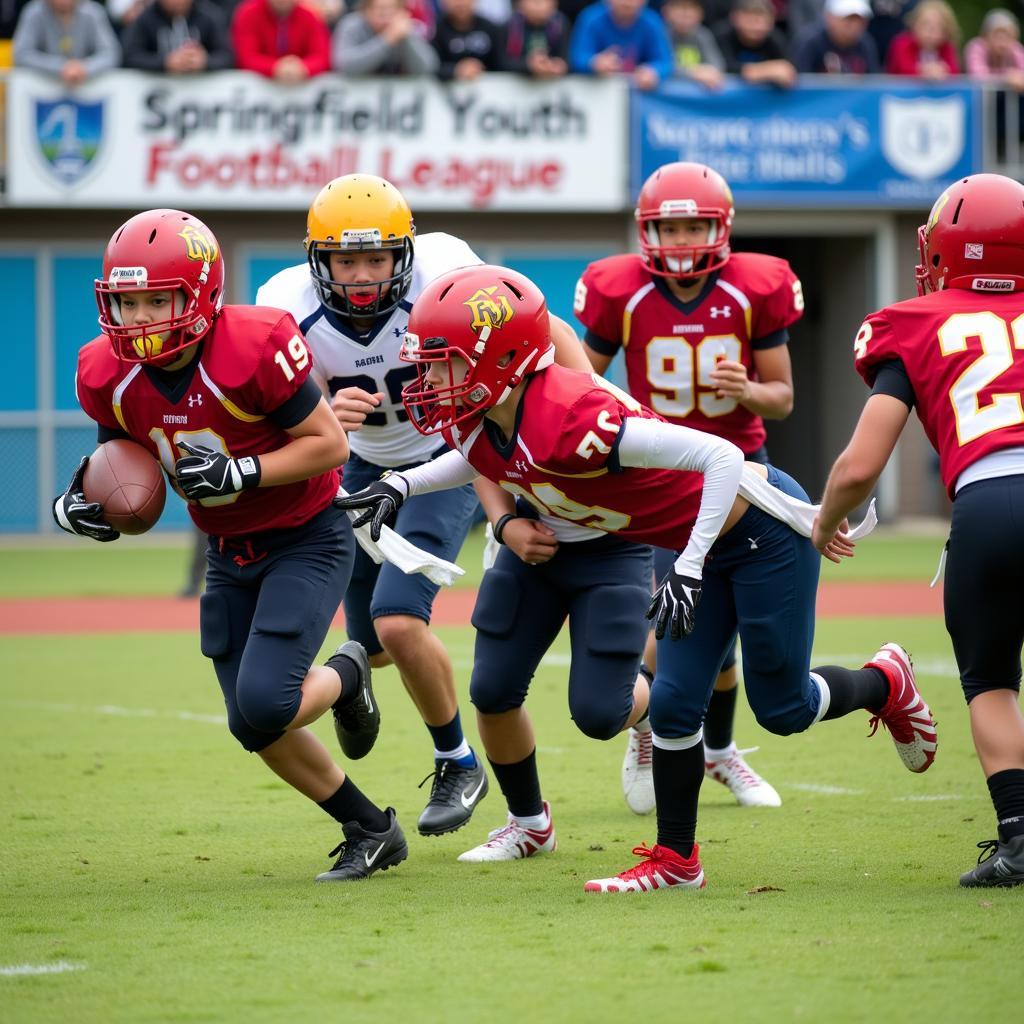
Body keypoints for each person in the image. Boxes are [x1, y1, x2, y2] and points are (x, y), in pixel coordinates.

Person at [336, 263, 938, 892]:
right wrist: (399, 482)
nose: (425, 378)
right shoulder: (484, 411)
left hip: (760, 538)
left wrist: (688, 562)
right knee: (675, 704)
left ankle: (884, 682)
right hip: (694, 545)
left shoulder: (572, 416)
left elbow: (722, 456)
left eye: (442, 362)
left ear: (500, 359)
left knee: (783, 708)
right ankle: (678, 863)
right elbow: (477, 457)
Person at [54, 208, 404, 883]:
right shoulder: (105, 371)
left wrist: (244, 470)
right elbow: (127, 472)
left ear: (203, 294)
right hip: (228, 549)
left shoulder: (254, 343)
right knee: (252, 726)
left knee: (268, 702)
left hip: (308, 534)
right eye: (128, 301)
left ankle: (350, 671)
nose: (142, 317)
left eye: (159, 299)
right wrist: (81, 503)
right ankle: (370, 828)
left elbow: (330, 445)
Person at [254, 175, 493, 838]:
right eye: (345, 259)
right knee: (373, 643)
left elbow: (525, 337)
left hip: (442, 460)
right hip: (354, 463)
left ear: (404, 255)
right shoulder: (285, 305)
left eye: (375, 258)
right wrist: (325, 413)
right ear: (318, 261)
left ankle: (458, 761)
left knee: (395, 621)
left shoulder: (449, 275)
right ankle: (353, 678)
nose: (360, 275)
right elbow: (278, 417)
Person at [813, 173, 1024, 888]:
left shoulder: (911, 321)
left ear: (945, 251)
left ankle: (1020, 842)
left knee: (992, 681)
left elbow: (861, 463)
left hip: (992, 500)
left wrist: (828, 517)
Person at [576, 161, 801, 812]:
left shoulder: (756, 286)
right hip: (662, 476)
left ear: (719, 227)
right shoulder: (620, 289)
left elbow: (782, 398)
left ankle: (718, 750)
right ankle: (657, 723)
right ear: (648, 231)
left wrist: (747, 389)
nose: (678, 242)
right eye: (667, 228)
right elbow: (578, 384)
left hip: (740, 475)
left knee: (718, 628)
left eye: (692, 226)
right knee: (682, 616)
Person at [568, 0, 674, 90]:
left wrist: (653, 71)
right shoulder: (591, 17)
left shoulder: (652, 22)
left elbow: (665, 61)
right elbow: (577, 56)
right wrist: (594, 62)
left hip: (638, 97)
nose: (627, 3)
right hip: (596, 92)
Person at [12, 0, 120, 85]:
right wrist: (60, 67)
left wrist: (84, 68)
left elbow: (111, 53)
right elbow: (21, 54)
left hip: (88, 92)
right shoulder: (33, 12)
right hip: (40, 91)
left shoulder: (94, 12)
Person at [121, 0, 233, 74]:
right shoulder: (144, 18)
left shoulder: (210, 15)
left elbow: (227, 56)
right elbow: (130, 56)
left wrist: (205, 61)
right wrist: (165, 63)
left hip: (204, 95)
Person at [231, 0, 331, 81]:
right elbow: (246, 57)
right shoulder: (248, 13)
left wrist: (304, 68)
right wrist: (275, 67)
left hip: (301, 86)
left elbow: (322, 56)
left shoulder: (310, 16)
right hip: (257, 87)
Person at [332, 0, 438, 76]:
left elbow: (428, 68)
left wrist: (406, 39)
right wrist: (387, 40)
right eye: (380, 10)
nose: (386, 15)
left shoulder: (407, 28)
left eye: (392, 9)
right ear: (365, 10)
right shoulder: (351, 25)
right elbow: (344, 65)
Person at [713, 0, 797, 89]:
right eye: (751, 21)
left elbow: (787, 68)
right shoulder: (721, 36)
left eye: (762, 21)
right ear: (735, 18)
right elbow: (722, 66)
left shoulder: (775, 39)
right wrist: (766, 71)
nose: (757, 27)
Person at [793, 0, 879, 75]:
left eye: (860, 19)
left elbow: (873, 80)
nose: (855, 25)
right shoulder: (810, 43)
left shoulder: (866, 44)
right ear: (830, 17)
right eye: (848, 18)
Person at [884, 0, 959, 78]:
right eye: (926, 24)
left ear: (946, 30)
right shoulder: (901, 44)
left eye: (938, 27)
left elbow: (954, 71)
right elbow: (904, 69)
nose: (931, 32)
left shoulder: (947, 47)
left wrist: (944, 71)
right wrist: (926, 71)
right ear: (914, 24)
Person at [431, 0, 504, 81]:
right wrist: (455, 70)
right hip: (447, 89)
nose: (461, 3)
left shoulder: (490, 28)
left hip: (491, 87)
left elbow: (502, 63)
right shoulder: (435, 30)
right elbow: (432, 66)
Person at [661, 0, 725, 88]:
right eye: (679, 7)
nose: (686, 13)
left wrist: (711, 73)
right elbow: (662, 65)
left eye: (691, 8)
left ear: (701, 14)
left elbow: (717, 65)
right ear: (666, 12)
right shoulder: (660, 34)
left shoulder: (703, 35)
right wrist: (693, 73)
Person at [500, 0, 569, 78]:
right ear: (519, 3)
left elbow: (566, 59)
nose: (538, 4)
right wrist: (528, 65)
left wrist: (558, 65)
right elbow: (501, 62)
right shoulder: (510, 26)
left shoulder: (560, 25)